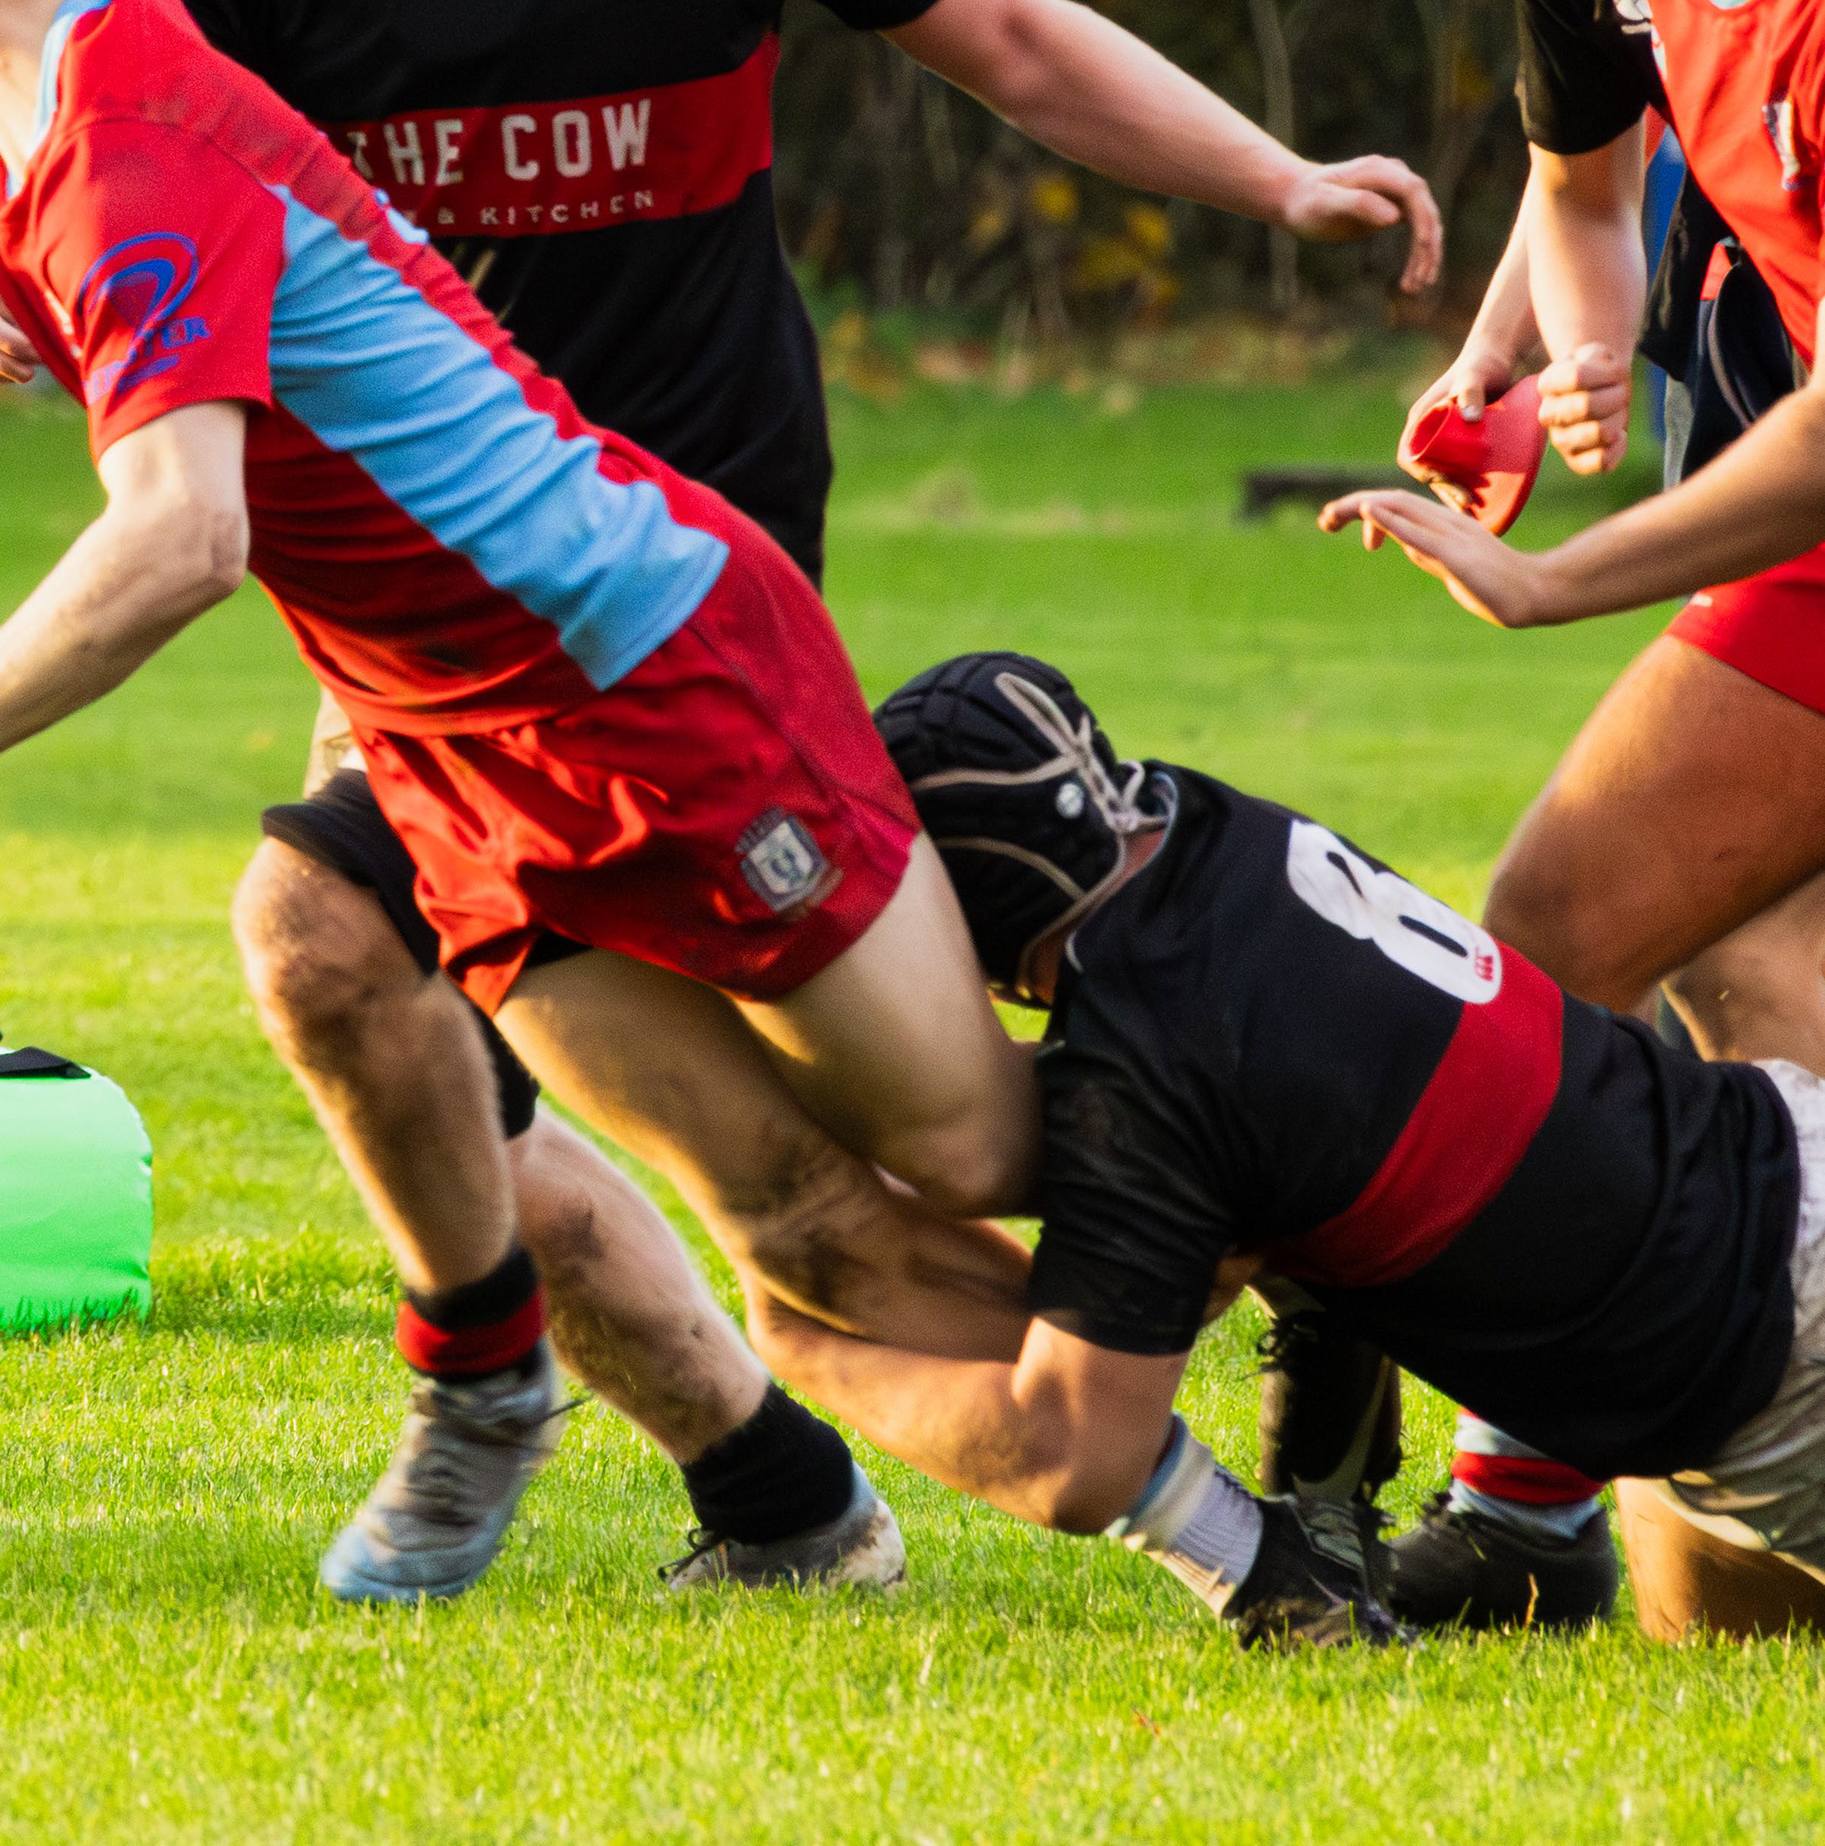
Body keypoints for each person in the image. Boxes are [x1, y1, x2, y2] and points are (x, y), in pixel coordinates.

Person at [0, 0, 1441, 1595]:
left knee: (893, 1140)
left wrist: (1274, 181)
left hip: (674, 593)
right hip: (412, 629)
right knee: (383, 991)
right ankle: (705, 1456)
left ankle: (1248, 1260)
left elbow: (1009, 41)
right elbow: (49, 152)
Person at [0, 0, 1046, 1608]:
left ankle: (1325, 1198)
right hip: (449, 717)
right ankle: (513, 1394)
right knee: (326, 952)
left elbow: (183, 538)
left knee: (929, 1174)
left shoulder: (129, 149)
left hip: (643, 669)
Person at [759, 652, 1821, 1648]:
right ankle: (1433, 1528)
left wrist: (811, 1350)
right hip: (1777, 1158)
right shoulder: (1212, 828)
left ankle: (1354, 1542)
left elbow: (1078, 1457)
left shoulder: (1148, 1066)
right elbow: (1249, 1127)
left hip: (1782, 1377)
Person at [1355, 0, 1825, 1632]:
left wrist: (1558, 580)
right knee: (1556, 930)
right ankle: (1534, 1488)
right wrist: (1536, 369)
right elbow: (1584, 199)